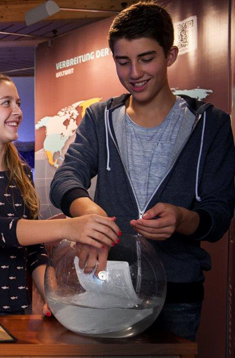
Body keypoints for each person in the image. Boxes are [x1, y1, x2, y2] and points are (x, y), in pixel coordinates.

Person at [50, 2, 235, 341]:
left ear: (171, 54)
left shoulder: (212, 125)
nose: (134, 73)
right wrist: (91, 214)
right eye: (123, 62)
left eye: (146, 58)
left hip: (178, 296)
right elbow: (65, 179)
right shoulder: (98, 118)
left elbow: (219, 215)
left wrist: (182, 218)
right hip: (105, 287)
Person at [0, 73, 120, 316]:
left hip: (11, 307)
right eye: (6, 102)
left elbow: (33, 250)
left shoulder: (21, 171)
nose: (18, 111)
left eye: (18, 103)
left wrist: (54, 299)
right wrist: (70, 227)